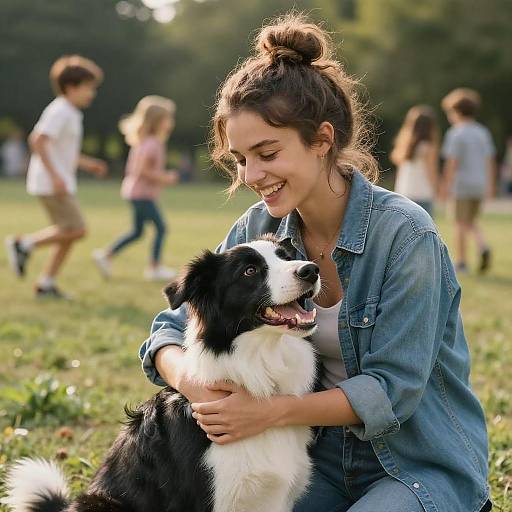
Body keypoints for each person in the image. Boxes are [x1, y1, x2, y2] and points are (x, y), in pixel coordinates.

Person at [139, 15, 490, 512]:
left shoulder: (406, 235)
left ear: (322, 139)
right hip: (313, 459)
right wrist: (192, 382)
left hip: (414, 464)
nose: (252, 174)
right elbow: (168, 330)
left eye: (267, 152)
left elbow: (393, 391)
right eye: (240, 158)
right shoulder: (255, 227)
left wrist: (268, 412)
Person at [5, 55, 107, 298]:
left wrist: (88, 163)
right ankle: (24, 245)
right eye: (88, 88)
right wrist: (56, 176)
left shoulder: (70, 112)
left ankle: (46, 284)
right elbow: (37, 140)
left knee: (67, 233)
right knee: (78, 230)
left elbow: (62, 151)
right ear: (71, 87)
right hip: (52, 184)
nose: (92, 93)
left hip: (55, 182)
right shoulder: (60, 111)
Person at [92, 96, 179, 281]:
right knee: (161, 228)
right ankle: (154, 268)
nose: (171, 122)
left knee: (137, 231)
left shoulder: (144, 141)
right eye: (168, 118)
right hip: (142, 195)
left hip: (135, 192)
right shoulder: (153, 144)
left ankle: (105, 255)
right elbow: (143, 171)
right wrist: (166, 177)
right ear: (157, 121)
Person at [439, 88, 496, 273]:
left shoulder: (456, 133)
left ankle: (462, 262)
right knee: (471, 220)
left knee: (459, 223)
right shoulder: (482, 132)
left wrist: (445, 185)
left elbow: (452, 163)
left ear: (456, 112)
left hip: (461, 185)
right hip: (479, 183)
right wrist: (490, 184)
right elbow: (490, 160)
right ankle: (483, 245)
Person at [391, 105, 439, 217]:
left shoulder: (404, 144)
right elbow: (431, 171)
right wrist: (438, 188)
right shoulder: (428, 146)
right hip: (423, 192)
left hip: (405, 190)